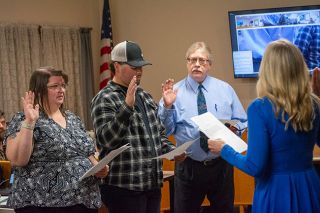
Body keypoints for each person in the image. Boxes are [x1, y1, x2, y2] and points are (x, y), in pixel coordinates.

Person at [208, 39, 320, 213]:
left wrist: (224, 149)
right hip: (309, 187)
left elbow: (255, 167)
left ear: (267, 71)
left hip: (276, 192)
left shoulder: (260, 108)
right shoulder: (313, 104)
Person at [91, 40, 185, 213]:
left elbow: (158, 136)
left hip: (151, 184)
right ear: (117, 66)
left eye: (141, 66)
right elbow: (106, 140)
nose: (140, 71)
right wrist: (126, 107)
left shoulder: (145, 96)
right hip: (124, 187)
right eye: (134, 67)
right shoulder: (105, 98)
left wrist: (173, 151)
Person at [3, 67, 108, 213]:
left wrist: (99, 167)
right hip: (42, 204)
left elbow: (87, 152)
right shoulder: (23, 119)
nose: (61, 90)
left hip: (83, 199)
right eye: (54, 86)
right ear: (38, 90)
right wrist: (30, 122)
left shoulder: (73, 118)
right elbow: (17, 160)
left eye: (63, 85)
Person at [158, 41, 247, 213]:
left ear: (209, 65)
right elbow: (165, 131)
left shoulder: (225, 89)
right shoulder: (173, 92)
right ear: (187, 63)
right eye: (192, 60)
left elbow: (242, 120)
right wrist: (167, 107)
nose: (197, 64)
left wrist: (236, 130)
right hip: (189, 166)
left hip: (221, 164)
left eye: (202, 60)